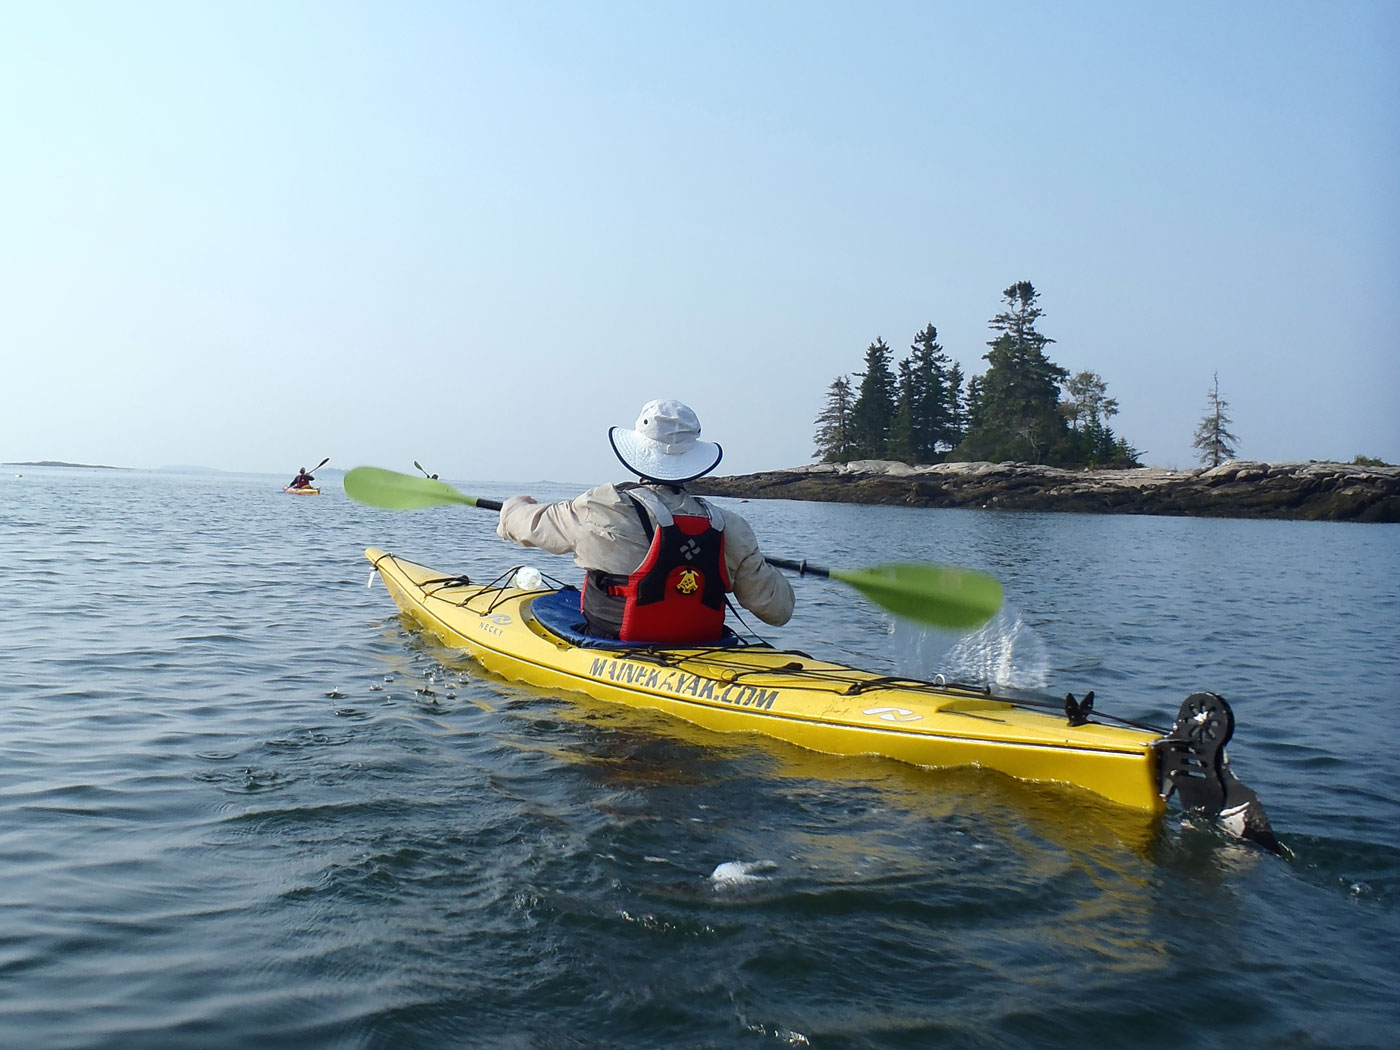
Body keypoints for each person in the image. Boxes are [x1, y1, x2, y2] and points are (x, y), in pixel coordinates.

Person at [497, 399, 794, 644]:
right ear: (694, 461)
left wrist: (514, 507)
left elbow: (525, 525)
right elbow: (778, 611)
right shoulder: (731, 527)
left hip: (615, 644)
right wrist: (747, 559)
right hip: (701, 645)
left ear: (639, 454)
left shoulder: (600, 507)